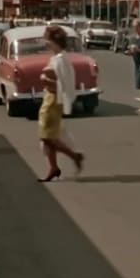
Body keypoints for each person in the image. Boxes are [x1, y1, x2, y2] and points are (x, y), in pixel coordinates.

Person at [36, 26, 84, 182]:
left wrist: (46, 80)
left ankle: (73, 156)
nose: (46, 43)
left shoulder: (61, 60)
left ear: (55, 41)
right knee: (48, 136)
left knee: (46, 136)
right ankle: (54, 167)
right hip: (49, 99)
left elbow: (63, 84)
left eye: (48, 40)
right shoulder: (57, 58)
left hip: (54, 101)